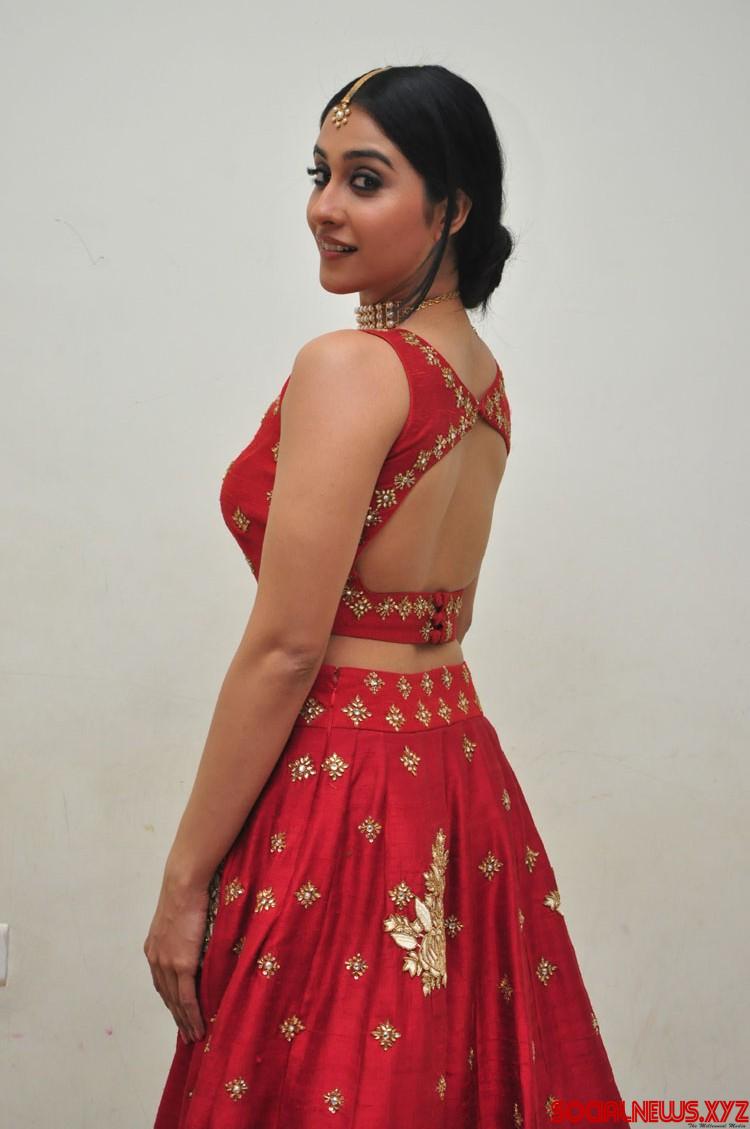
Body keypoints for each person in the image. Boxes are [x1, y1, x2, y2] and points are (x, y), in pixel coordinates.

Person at [145, 64, 630, 1128]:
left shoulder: (354, 367)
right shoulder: (481, 377)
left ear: (451, 208)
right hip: (454, 765)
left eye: (365, 180)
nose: (325, 207)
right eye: (319, 174)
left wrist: (184, 880)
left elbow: (287, 647)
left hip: (346, 781)